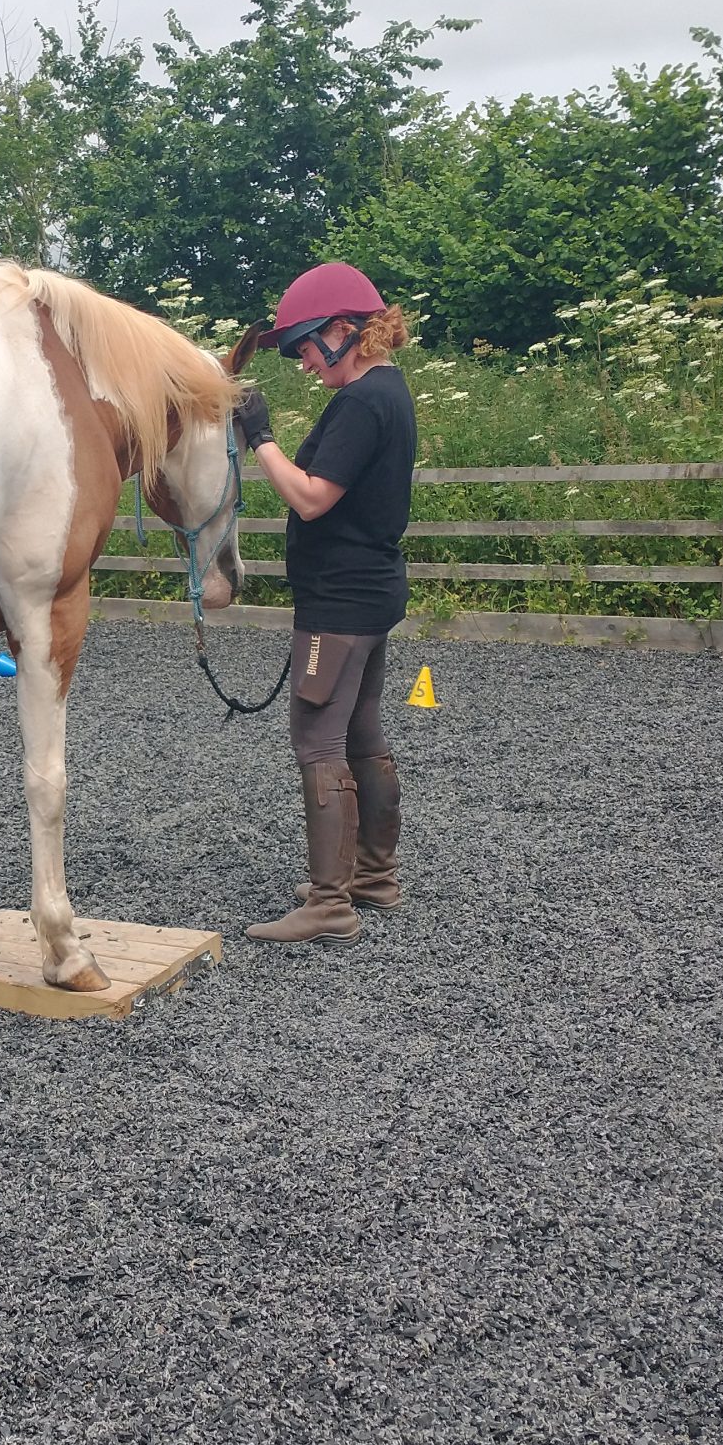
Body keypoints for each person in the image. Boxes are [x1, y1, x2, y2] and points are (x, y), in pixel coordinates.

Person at [224, 261, 416, 942]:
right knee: (361, 731)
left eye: (305, 347)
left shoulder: (362, 403)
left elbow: (311, 497)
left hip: (339, 602)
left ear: (342, 331)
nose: (304, 363)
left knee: (316, 736)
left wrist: (261, 437)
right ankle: (373, 875)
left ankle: (330, 905)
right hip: (371, 592)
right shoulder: (389, 390)